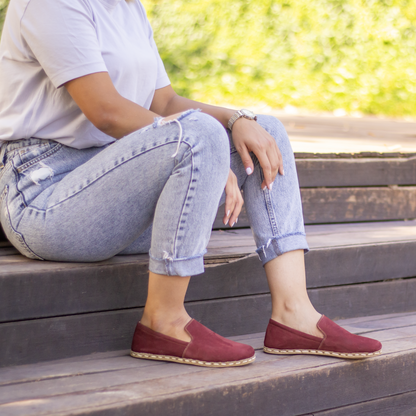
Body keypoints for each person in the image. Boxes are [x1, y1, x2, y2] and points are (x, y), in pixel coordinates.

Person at [0, 0, 381, 367]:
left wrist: (235, 120)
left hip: (113, 187)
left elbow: (164, 103)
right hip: (47, 197)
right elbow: (106, 111)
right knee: (199, 133)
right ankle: (163, 322)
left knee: (263, 130)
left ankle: (293, 315)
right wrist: (200, 145)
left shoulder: (128, 8)